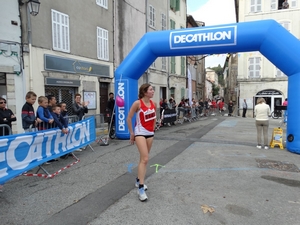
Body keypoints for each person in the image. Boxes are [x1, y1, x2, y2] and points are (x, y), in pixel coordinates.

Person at [126, 83, 156, 202]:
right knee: (145, 159)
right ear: (144, 92)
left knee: (143, 158)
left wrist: (153, 129)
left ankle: (139, 180)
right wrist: (132, 133)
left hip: (150, 133)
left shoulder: (154, 104)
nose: (153, 91)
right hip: (140, 132)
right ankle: (141, 188)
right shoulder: (137, 103)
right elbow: (129, 118)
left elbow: (154, 117)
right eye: (151, 89)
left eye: (152, 89)